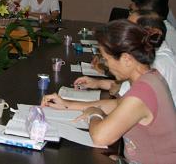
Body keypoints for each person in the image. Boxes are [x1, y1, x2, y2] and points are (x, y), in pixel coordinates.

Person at [43, 20, 176, 162]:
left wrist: (94, 113)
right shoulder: (150, 77)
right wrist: (67, 104)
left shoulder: (143, 92)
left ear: (126, 59)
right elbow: (118, 104)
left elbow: (100, 137)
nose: (106, 65)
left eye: (106, 59)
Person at [69, 9, 176, 106]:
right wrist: (97, 83)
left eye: (130, 28)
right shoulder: (146, 57)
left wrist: (92, 112)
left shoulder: (159, 63)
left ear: (152, 32)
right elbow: (123, 88)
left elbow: (123, 103)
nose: (124, 32)